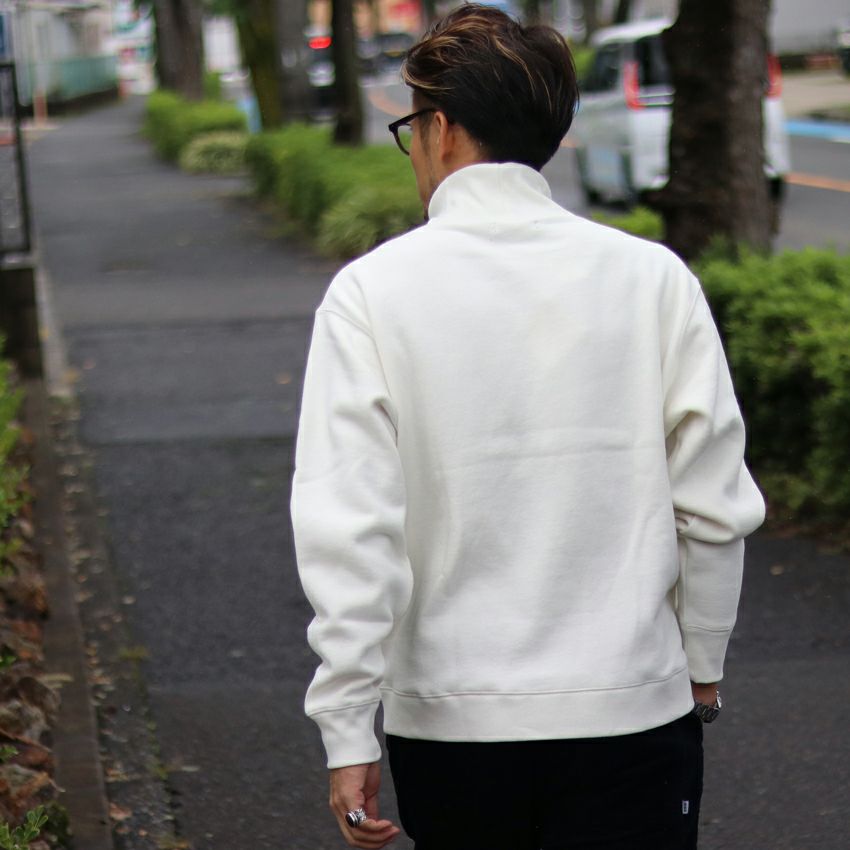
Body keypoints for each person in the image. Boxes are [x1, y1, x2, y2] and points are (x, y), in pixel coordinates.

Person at [291, 5, 765, 849]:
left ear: (441, 131)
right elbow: (712, 504)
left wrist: (348, 726)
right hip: (633, 709)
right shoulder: (652, 279)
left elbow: (351, 528)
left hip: (453, 724)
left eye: (411, 129)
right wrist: (700, 663)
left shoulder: (371, 295)